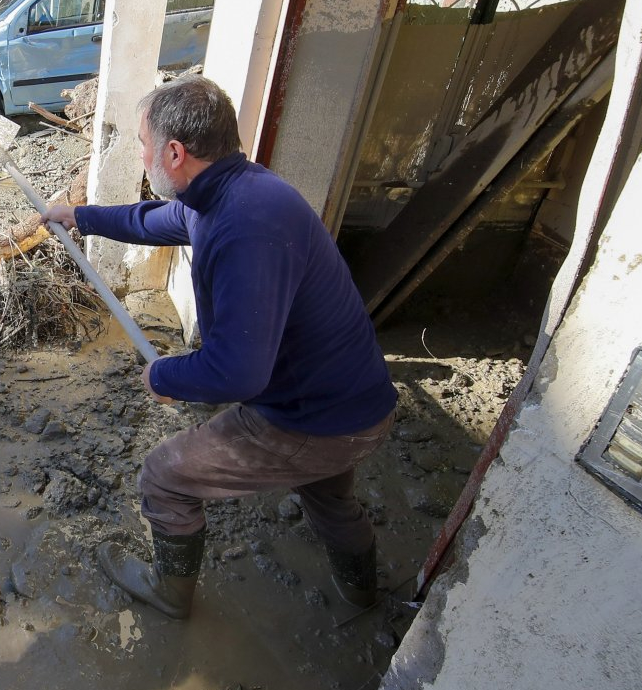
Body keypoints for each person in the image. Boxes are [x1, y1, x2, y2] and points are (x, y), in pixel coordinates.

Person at [41, 77, 397, 616]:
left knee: (165, 476)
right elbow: (154, 219)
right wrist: (84, 217)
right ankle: (363, 597)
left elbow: (236, 374)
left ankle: (171, 595)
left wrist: (164, 377)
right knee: (328, 496)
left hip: (311, 417)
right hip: (354, 401)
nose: (140, 155)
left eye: (142, 144)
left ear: (174, 152)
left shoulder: (245, 227)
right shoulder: (231, 189)